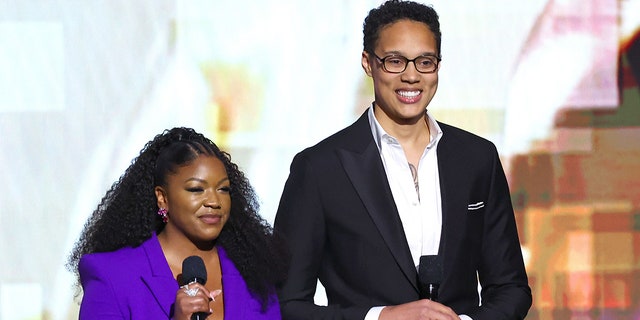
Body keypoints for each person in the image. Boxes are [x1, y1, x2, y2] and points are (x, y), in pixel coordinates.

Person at [273, 1, 532, 319]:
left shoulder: (477, 158)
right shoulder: (320, 168)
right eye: (395, 61)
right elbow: (286, 304)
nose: (412, 76)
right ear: (368, 63)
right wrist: (380, 317)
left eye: (425, 62)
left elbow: (511, 288)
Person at [67, 127, 287, 319]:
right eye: (196, 189)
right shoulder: (112, 275)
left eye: (223, 189)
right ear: (162, 197)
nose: (214, 201)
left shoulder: (253, 273)